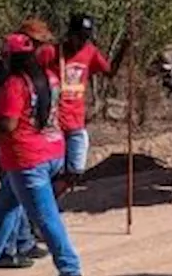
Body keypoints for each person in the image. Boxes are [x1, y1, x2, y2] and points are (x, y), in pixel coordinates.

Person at [0, 33, 83, 276]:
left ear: (11, 57)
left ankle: (70, 270)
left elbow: (7, 124)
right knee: (5, 204)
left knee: (45, 217)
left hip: (26, 160)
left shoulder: (14, 84)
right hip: (52, 150)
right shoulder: (51, 77)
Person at [0, 18, 55, 267]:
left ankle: (23, 242)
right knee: (11, 197)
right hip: (9, 142)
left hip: (22, 141)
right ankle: (6, 249)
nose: (40, 48)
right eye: (36, 43)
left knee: (15, 198)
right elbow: (8, 116)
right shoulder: (9, 72)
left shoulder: (25, 69)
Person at [38, 13, 115, 197]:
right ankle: (41, 211)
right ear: (69, 34)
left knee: (75, 171)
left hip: (76, 122)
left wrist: (125, 48)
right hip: (53, 123)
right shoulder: (51, 53)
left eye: (85, 37)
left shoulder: (90, 52)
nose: (81, 42)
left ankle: (48, 204)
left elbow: (108, 71)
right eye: (79, 37)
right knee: (52, 171)